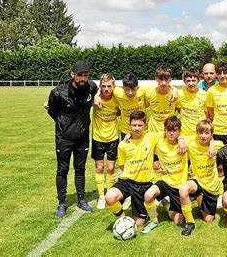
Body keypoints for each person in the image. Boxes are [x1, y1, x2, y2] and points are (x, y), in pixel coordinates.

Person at [46, 61, 98, 218]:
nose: (83, 78)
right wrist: (64, 125)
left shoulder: (92, 87)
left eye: (86, 75)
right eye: (80, 75)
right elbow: (51, 110)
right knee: (62, 169)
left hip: (82, 138)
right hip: (64, 138)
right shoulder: (58, 92)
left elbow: (97, 97)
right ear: (72, 75)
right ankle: (62, 203)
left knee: (80, 169)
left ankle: (81, 200)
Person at [105, 111, 162, 227]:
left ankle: (148, 207)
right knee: (110, 197)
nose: (137, 128)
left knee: (139, 224)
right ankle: (123, 221)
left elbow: (171, 133)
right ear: (129, 125)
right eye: (134, 125)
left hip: (144, 185)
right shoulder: (123, 145)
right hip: (127, 181)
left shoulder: (152, 137)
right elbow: (122, 166)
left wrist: (181, 139)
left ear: (145, 125)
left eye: (140, 125)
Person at [141, 116, 188, 233]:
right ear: (165, 130)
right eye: (169, 130)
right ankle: (153, 220)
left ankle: (166, 204)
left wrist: (181, 139)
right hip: (164, 182)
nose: (171, 133)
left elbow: (206, 141)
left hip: (179, 185)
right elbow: (141, 139)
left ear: (179, 131)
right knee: (148, 195)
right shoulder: (159, 143)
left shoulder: (185, 143)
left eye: (175, 130)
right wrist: (155, 165)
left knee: (177, 221)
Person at [179, 120, 225, 236]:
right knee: (183, 189)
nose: (203, 136)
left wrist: (212, 144)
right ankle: (190, 222)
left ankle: (199, 197)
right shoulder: (191, 142)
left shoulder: (219, 145)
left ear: (211, 134)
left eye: (207, 133)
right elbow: (177, 135)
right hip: (197, 180)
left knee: (209, 219)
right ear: (196, 133)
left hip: (211, 185)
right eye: (200, 133)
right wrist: (180, 140)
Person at [91, 73, 120, 209]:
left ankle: (110, 194)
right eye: (103, 86)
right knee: (99, 167)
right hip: (98, 138)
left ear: (113, 86)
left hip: (113, 137)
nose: (106, 89)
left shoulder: (117, 98)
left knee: (110, 168)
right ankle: (101, 196)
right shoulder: (95, 99)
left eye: (109, 86)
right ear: (100, 87)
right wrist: (96, 95)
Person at [176, 68, 207, 137]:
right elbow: (178, 109)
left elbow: (207, 114)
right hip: (184, 133)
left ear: (198, 81)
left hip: (200, 132)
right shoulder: (180, 94)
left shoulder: (205, 95)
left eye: (193, 81)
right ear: (184, 81)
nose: (191, 83)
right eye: (188, 81)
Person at [145, 67, 178, 133]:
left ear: (170, 79)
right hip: (153, 130)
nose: (163, 82)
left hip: (169, 129)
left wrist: (175, 89)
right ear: (156, 79)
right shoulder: (148, 93)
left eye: (166, 79)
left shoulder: (176, 95)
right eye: (161, 79)